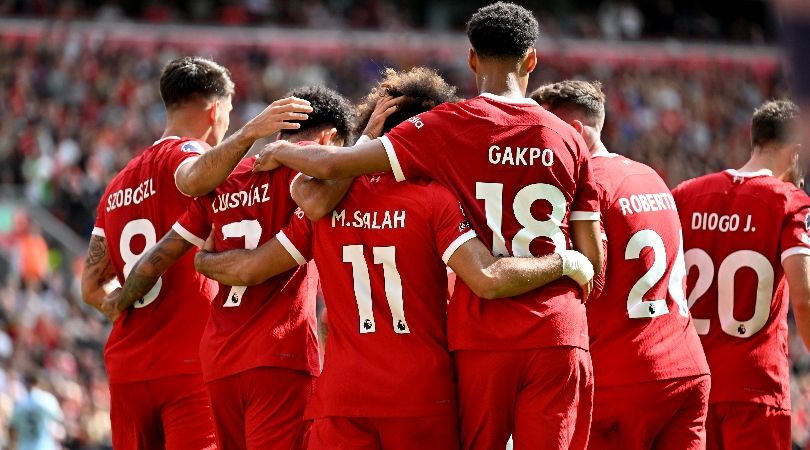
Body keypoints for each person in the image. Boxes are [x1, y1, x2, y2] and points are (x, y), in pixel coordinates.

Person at [253, 4, 603, 448]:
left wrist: (281, 151)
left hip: (470, 344)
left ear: (472, 58)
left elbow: (323, 178)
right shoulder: (566, 139)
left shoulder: (445, 128)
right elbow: (593, 261)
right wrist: (567, 264)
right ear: (532, 58)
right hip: (549, 334)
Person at [79, 56, 312, 450]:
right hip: (186, 365)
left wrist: (121, 304)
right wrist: (249, 134)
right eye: (230, 115)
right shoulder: (186, 153)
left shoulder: (118, 183)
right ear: (216, 110)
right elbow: (191, 179)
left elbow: (90, 286)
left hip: (126, 367)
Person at [105, 85, 356, 450]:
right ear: (329, 136)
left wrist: (120, 301)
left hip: (220, 361)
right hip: (279, 355)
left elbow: (162, 254)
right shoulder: (308, 175)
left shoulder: (225, 179)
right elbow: (337, 173)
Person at [532, 80, 711, 450]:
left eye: (545, 132)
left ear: (575, 132)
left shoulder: (584, 188)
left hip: (621, 379)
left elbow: (584, 284)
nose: (539, 148)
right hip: (687, 368)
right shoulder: (652, 175)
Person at [672, 100, 810, 450]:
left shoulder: (687, 194)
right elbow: (805, 298)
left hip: (691, 382)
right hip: (755, 386)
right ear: (794, 152)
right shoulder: (789, 201)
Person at [8, 373, 64, 450]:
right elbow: (59, 417)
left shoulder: (19, 403)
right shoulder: (46, 400)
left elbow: (12, 427)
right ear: (39, 382)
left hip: (25, 447)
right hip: (44, 446)